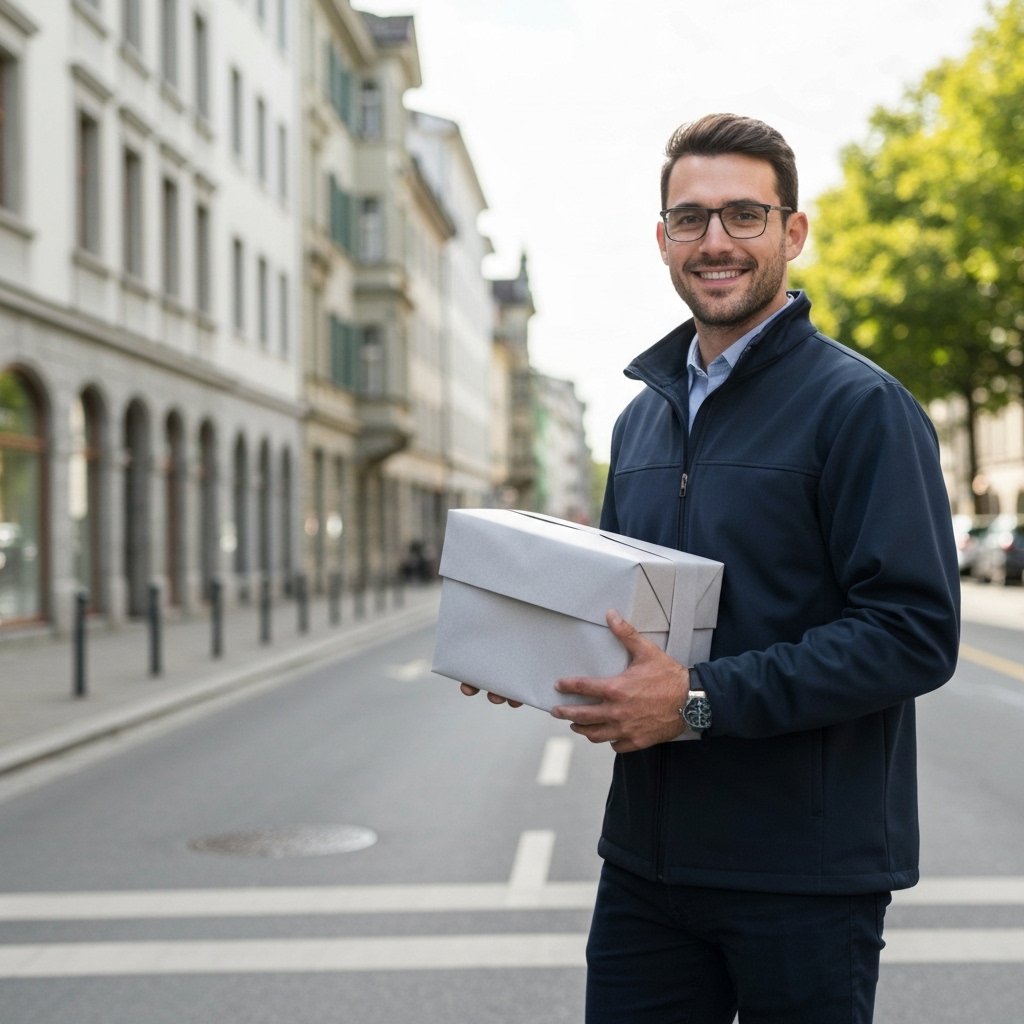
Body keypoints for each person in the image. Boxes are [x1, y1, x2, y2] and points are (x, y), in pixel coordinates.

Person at [461, 112, 960, 1022]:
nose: (716, 241)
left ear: (792, 232)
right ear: (662, 239)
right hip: (648, 867)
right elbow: (622, 617)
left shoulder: (864, 409)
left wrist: (697, 701)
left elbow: (913, 637)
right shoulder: (640, 421)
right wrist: (529, 657)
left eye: (744, 215)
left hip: (803, 875)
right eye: (690, 219)